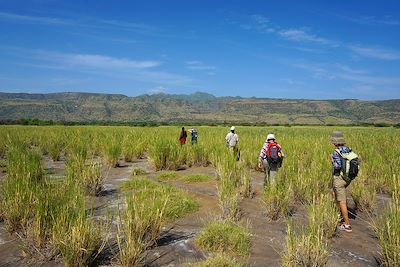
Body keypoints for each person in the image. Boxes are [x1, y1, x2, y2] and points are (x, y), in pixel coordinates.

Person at [330, 131, 352, 233]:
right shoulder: (348, 150)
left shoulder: (336, 152)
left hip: (339, 179)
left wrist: (332, 160)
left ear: (334, 142)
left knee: (341, 201)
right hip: (348, 178)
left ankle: (347, 225)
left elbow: (337, 166)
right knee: (337, 195)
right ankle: (338, 215)